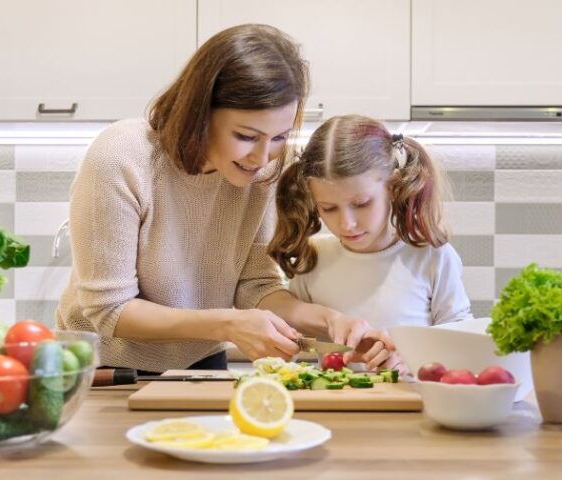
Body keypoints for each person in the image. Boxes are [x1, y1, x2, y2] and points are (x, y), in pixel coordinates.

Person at [56, 25, 393, 373]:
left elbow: (256, 285)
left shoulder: (261, 173)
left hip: (202, 363)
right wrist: (227, 325)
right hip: (105, 370)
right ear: (200, 112)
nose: (262, 157)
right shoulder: (121, 158)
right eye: (247, 136)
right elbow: (109, 309)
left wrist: (330, 321)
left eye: (279, 137)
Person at [268, 114, 472, 370]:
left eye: (361, 204)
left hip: (411, 401)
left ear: (393, 187)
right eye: (329, 208)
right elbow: (295, 340)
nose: (347, 224)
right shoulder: (314, 257)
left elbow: (462, 341)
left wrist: (414, 358)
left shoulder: (432, 256)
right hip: (333, 406)